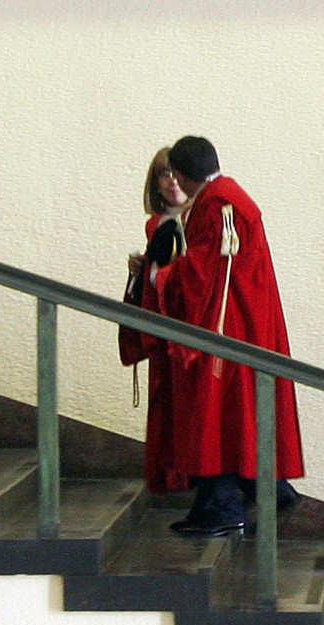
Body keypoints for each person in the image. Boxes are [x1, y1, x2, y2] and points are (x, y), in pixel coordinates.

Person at [154, 136, 304, 536]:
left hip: (227, 327)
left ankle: (222, 507)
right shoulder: (226, 196)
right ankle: (259, 490)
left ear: (183, 175)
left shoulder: (220, 205)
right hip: (244, 321)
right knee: (232, 416)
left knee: (214, 415)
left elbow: (205, 274)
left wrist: (159, 276)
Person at [119, 148, 191, 494]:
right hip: (161, 325)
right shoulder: (156, 223)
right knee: (163, 402)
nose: (172, 181)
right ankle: (164, 474)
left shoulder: (200, 219)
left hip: (186, 331)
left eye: (178, 174)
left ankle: (184, 475)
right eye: (164, 175)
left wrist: (159, 276)